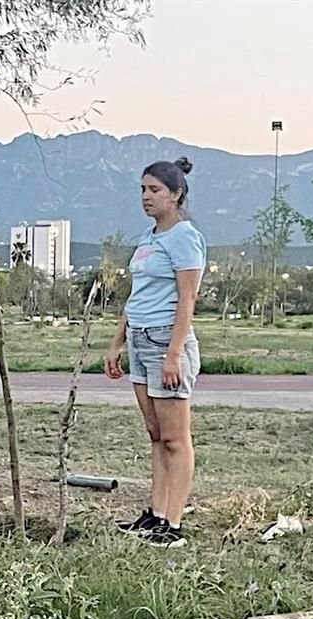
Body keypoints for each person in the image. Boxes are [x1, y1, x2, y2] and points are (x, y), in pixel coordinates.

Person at [104, 157, 206, 549]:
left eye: (155, 190)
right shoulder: (149, 240)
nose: (146, 197)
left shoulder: (185, 236)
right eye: (143, 190)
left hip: (167, 340)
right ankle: (156, 514)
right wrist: (118, 341)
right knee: (155, 433)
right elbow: (137, 296)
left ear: (176, 194)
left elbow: (187, 297)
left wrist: (174, 354)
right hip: (141, 339)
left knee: (176, 438)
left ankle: (174, 525)